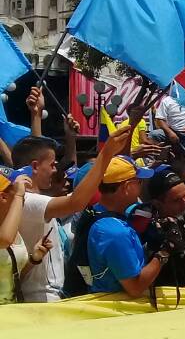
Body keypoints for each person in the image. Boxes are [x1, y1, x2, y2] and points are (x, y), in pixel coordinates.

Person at [12, 126, 131, 301]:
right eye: (52, 165)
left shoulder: (35, 199)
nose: (55, 170)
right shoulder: (27, 200)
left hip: (48, 295)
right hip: (40, 298)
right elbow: (76, 202)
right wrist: (105, 154)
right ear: (35, 166)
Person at [85, 156, 167, 297]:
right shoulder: (115, 232)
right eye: (139, 181)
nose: (142, 187)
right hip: (114, 310)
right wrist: (164, 252)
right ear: (127, 187)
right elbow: (135, 288)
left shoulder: (93, 212)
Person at [0, 170, 42, 304]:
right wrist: (18, 195)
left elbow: (13, 275)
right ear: (3, 197)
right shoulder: (7, 234)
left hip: (10, 311)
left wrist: (34, 259)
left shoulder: (12, 228)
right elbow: (4, 240)